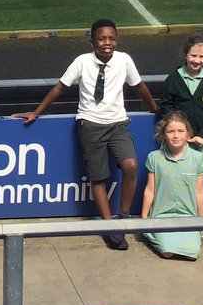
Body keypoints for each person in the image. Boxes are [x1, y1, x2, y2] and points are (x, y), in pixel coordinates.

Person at [12, 19, 159, 251]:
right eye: (102, 39)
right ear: (92, 41)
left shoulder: (124, 60)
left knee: (130, 165)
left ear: (117, 40)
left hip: (118, 123)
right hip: (90, 125)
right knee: (98, 177)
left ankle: (123, 216)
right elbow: (60, 87)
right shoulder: (81, 62)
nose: (107, 43)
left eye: (111, 38)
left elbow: (139, 86)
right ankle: (109, 226)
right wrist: (37, 112)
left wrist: (154, 109)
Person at [141, 112, 203, 261]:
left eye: (180, 131)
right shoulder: (154, 157)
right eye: (170, 131)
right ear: (164, 134)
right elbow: (150, 190)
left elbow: (199, 192)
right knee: (167, 252)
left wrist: (202, 221)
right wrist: (144, 219)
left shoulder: (199, 159)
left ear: (188, 134)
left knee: (192, 254)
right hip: (161, 216)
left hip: (188, 217)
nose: (176, 136)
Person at [158, 34, 203, 153]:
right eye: (193, 55)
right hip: (176, 139)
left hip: (199, 141)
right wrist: (178, 132)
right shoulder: (173, 78)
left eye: (202, 56)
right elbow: (166, 107)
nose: (197, 60)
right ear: (185, 55)